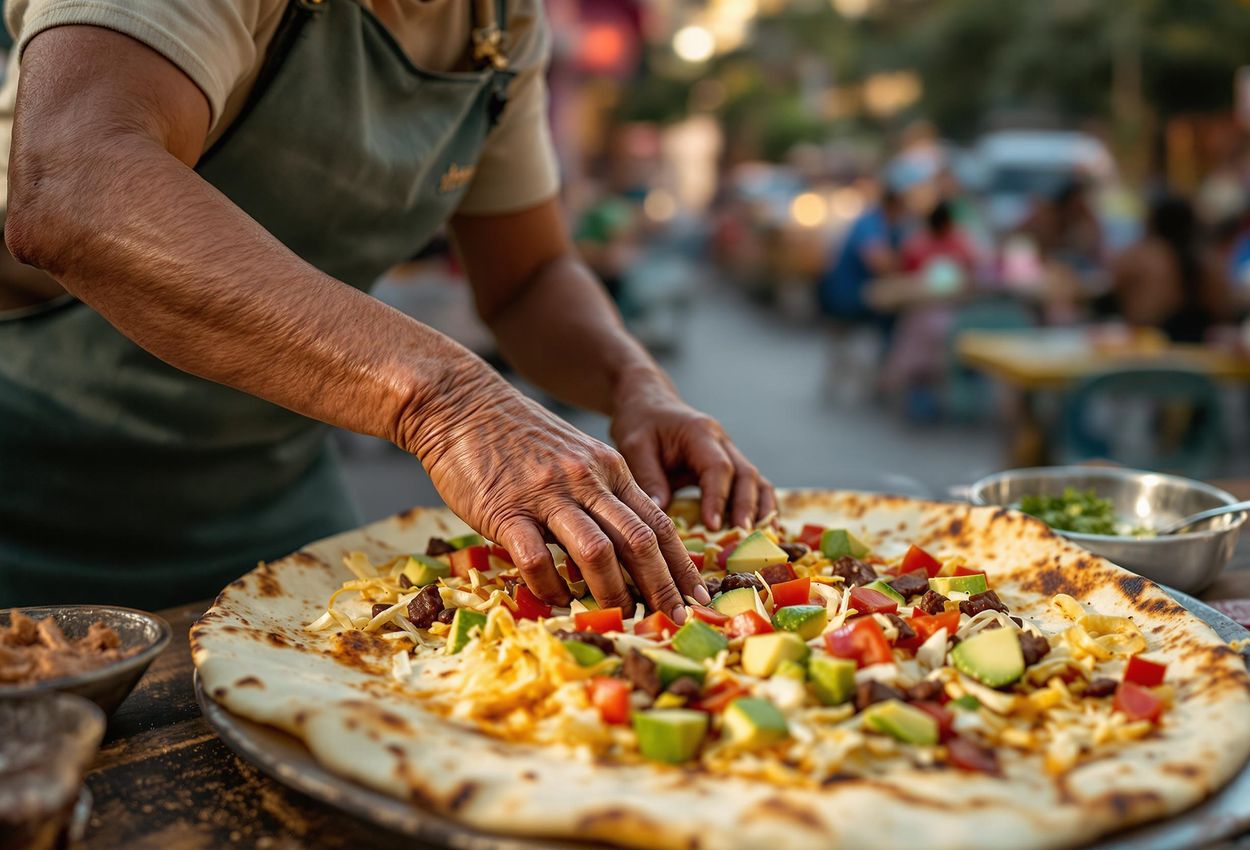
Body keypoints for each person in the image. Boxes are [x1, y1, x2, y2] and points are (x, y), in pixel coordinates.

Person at [0, 0, 773, 613]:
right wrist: (453, 404)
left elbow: (530, 276)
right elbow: (73, 184)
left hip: (270, 488)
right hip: (35, 484)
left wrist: (637, 386)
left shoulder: (505, 22)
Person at [1110, 195, 1234, 343]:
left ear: (1152, 223)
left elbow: (1121, 297)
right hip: (1201, 348)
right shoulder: (1210, 258)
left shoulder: (1140, 256)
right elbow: (1226, 310)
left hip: (1148, 346)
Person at [818, 189, 905, 321]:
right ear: (895, 205)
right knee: (894, 315)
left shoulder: (888, 226)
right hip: (847, 295)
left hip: (860, 291)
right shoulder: (870, 223)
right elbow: (880, 264)